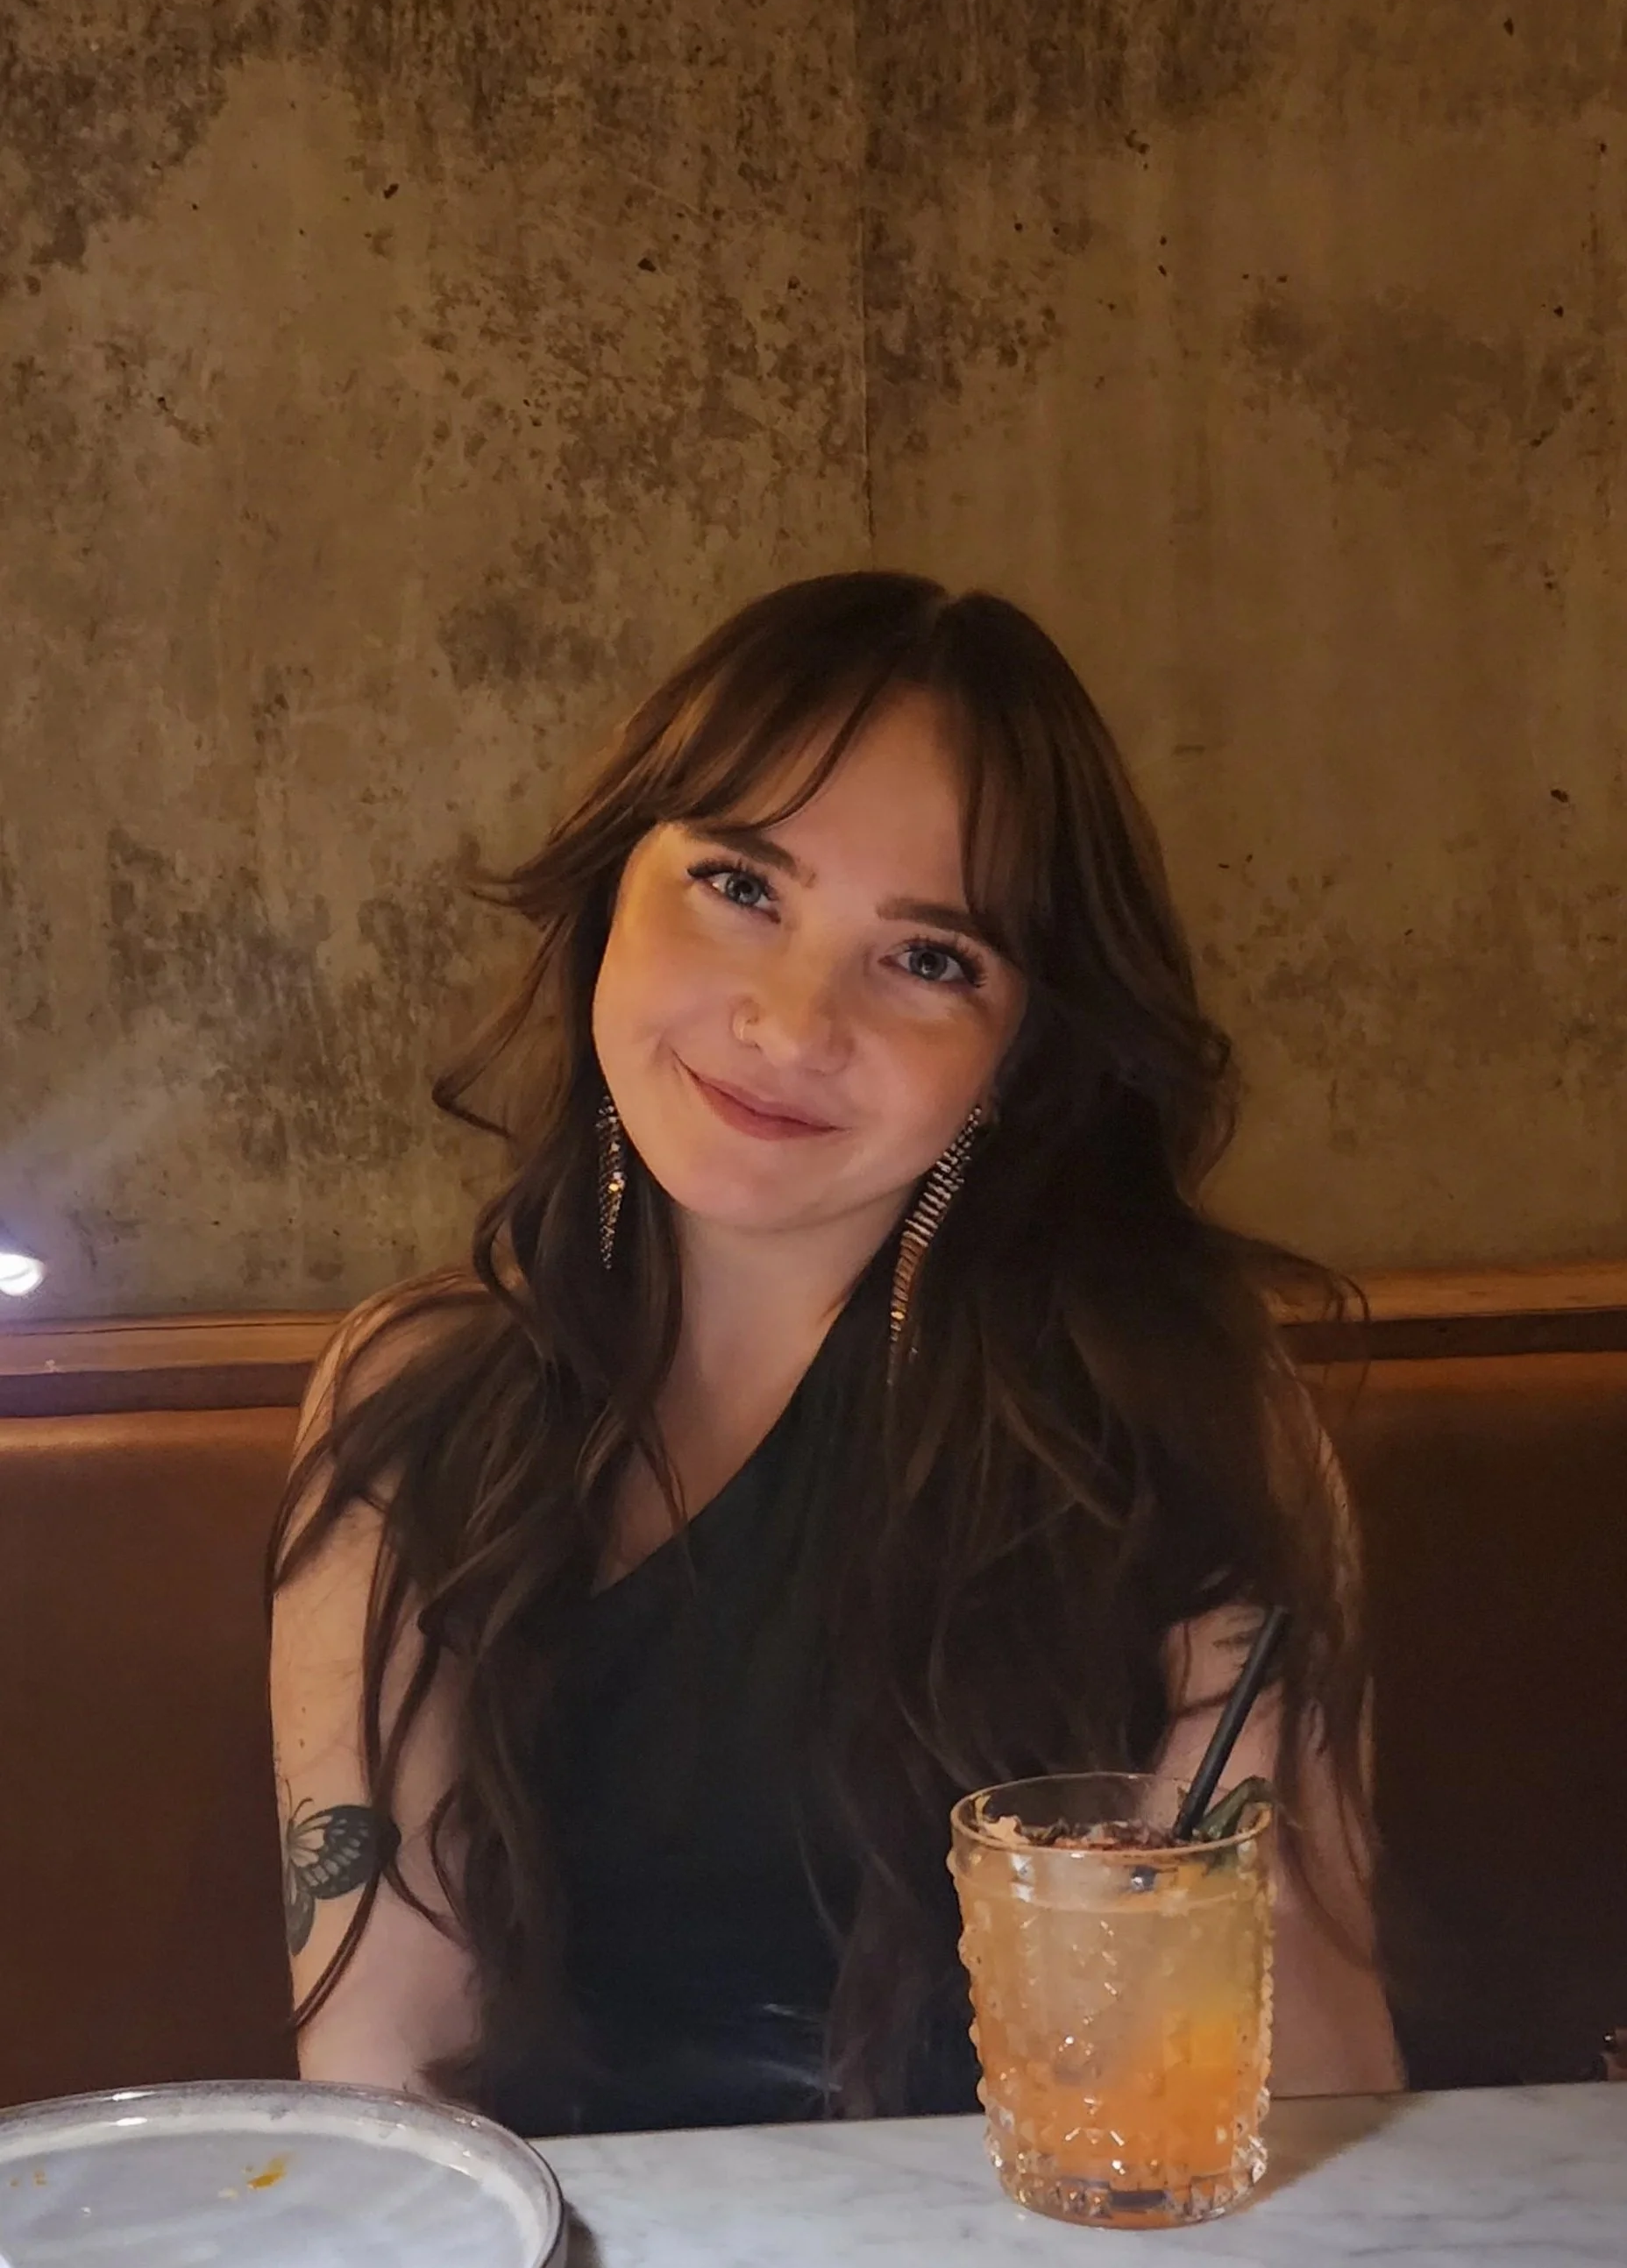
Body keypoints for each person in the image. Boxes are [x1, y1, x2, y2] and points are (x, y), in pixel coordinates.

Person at [268, 570, 1401, 2134]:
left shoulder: (1174, 1400)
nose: (794, 1022)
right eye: (741, 885)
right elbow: (390, 2098)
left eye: (932, 958)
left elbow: (1307, 2078)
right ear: (613, 893)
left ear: (1013, 1059)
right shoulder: (415, 1403)